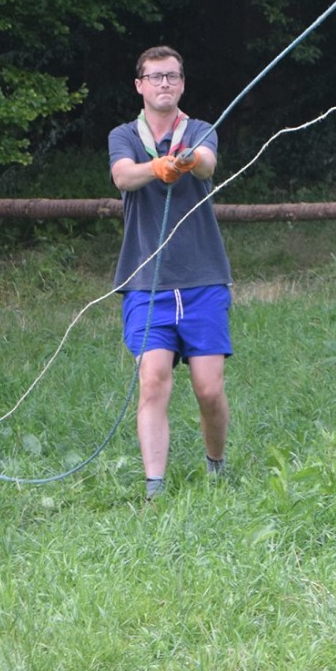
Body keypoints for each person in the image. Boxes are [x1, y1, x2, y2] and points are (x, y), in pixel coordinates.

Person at [108, 45, 232, 500]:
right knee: (154, 378)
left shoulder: (198, 129)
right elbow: (123, 177)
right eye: (156, 77)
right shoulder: (123, 135)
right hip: (146, 282)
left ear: (182, 83)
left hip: (204, 280)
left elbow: (207, 163)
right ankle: (155, 488)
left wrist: (186, 160)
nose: (165, 84)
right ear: (140, 85)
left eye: (173, 77)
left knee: (208, 389)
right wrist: (155, 166)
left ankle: (216, 467)